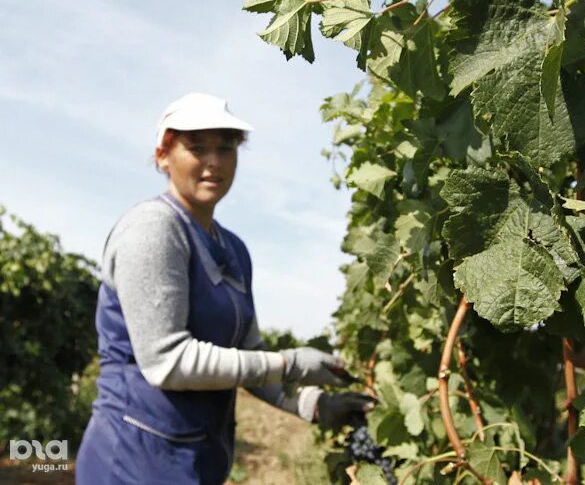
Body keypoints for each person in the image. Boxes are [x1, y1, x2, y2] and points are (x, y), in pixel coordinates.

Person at [75, 92, 373, 484]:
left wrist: (311, 403)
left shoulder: (234, 249)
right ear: (164, 156)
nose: (214, 161)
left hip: (199, 457)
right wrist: (291, 364)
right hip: (133, 459)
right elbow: (169, 362)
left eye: (226, 147)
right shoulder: (153, 229)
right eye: (197, 148)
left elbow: (247, 358)